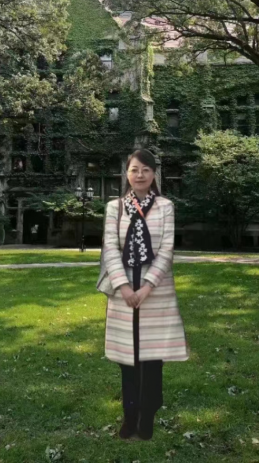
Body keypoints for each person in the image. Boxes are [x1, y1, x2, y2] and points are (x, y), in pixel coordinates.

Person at [102, 149, 189, 441]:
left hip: (156, 292)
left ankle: (148, 415)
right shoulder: (114, 208)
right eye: (134, 170)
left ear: (154, 174)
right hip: (123, 292)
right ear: (126, 174)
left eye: (146, 170)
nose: (140, 175)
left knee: (151, 359)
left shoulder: (165, 207)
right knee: (127, 359)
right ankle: (129, 416)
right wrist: (124, 287)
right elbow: (110, 248)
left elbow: (166, 249)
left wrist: (148, 286)